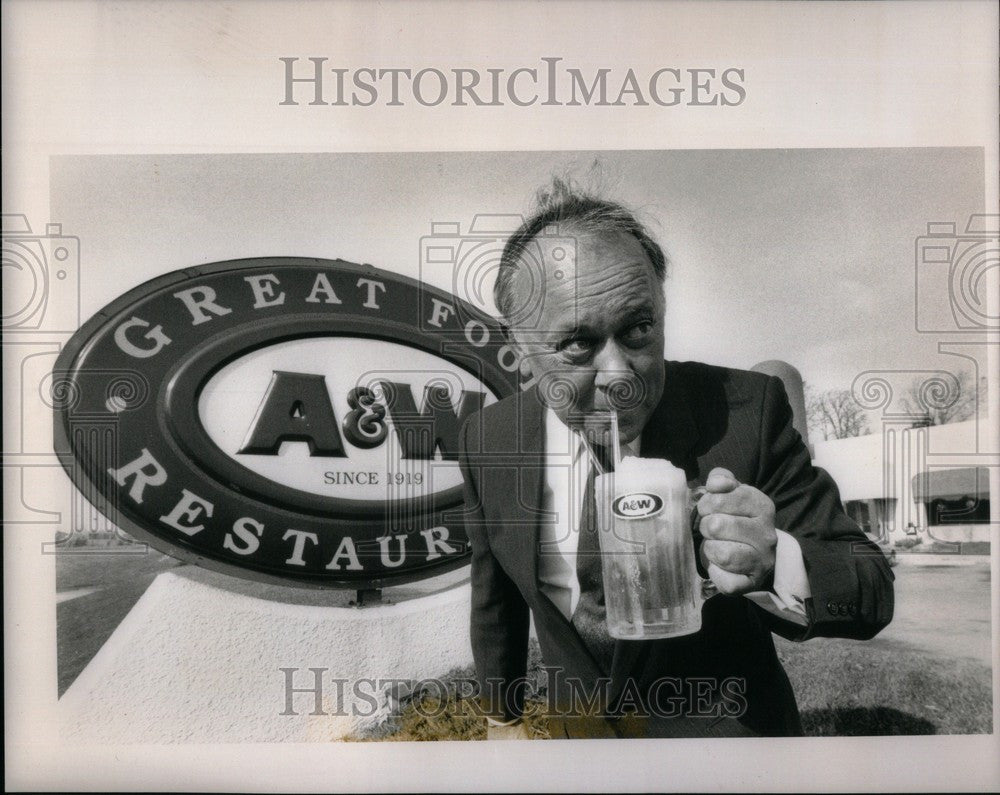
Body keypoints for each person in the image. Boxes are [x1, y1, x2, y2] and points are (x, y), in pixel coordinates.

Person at [456, 178, 895, 739]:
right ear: (519, 353)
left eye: (639, 329)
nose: (620, 377)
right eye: (577, 345)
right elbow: (493, 596)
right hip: (578, 745)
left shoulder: (745, 412)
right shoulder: (486, 441)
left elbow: (870, 584)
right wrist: (502, 716)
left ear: (662, 307)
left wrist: (777, 560)